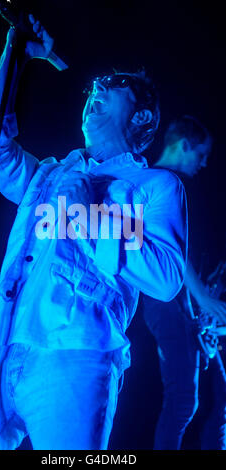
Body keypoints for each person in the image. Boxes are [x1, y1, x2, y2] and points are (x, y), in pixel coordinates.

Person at [0, 16, 187, 450]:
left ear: (142, 115)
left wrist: (91, 213)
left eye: (113, 83)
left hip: (79, 348)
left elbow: (167, 277)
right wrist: (15, 53)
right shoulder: (49, 173)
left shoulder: (154, 186)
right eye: (93, 85)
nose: (96, 87)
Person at [141, 115, 226, 450]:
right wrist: (203, 297)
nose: (204, 163)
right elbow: (171, 250)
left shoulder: (177, 185)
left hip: (184, 306)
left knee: (218, 399)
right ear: (184, 145)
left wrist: (200, 305)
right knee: (182, 404)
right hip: (166, 304)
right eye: (201, 154)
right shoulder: (159, 181)